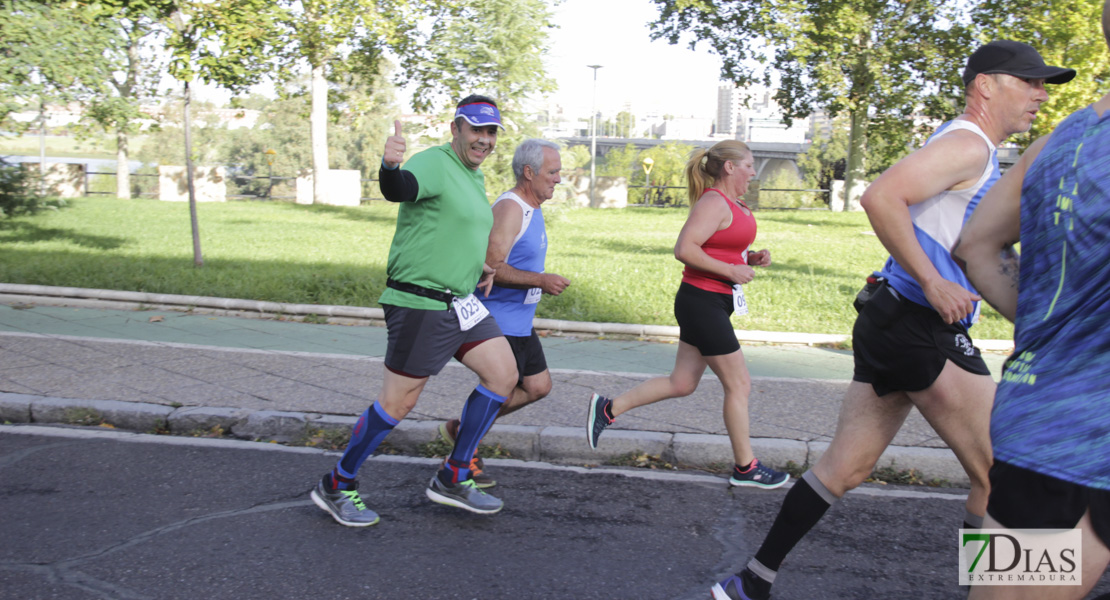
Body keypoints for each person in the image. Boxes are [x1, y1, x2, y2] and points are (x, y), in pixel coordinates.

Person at [711, 41, 1075, 600]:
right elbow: (881, 197)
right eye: (1029, 82)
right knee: (1000, 474)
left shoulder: (969, 147)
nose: (1041, 95)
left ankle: (749, 584)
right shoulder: (967, 146)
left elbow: (976, 244)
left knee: (843, 469)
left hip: (889, 319)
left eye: (1044, 84)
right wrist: (932, 280)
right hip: (919, 326)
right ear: (985, 85)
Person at [952, 7, 1110, 597]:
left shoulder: (1057, 139)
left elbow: (976, 245)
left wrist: (1052, 325)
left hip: (1038, 416)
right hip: (1077, 435)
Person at [310, 95, 518, 526]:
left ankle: (454, 475)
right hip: (421, 301)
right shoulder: (435, 162)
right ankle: (337, 483)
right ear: (455, 129)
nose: (484, 139)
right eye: (475, 129)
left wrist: (474, 262)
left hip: (460, 301)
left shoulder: (471, 175)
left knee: (503, 375)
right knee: (397, 403)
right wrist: (389, 167)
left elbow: (449, 227)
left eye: (491, 131)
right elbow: (398, 190)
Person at [585, 140, 790, 491]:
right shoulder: (713, 201)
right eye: (749, 165)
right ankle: (746, 467)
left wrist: (749, 258)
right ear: (729, 167)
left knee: (682, 383)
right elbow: (685, 248)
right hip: (702, 302)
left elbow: (719, 246)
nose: (754, 172)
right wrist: (730, 271)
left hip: (713, 301)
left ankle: (607, 409)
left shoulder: (733, 204)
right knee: (739, 383)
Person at [437, 138, 571, 488]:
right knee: (500, 385)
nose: (559, 178)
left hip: (520, 321)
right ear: (529, 172)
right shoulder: (511, 208)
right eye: (553, 171)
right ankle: (461, 457)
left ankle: (462, 431)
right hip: (497, 319)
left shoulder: (532, 207)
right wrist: (540, 280)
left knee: (538, 386)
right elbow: (492, 267)